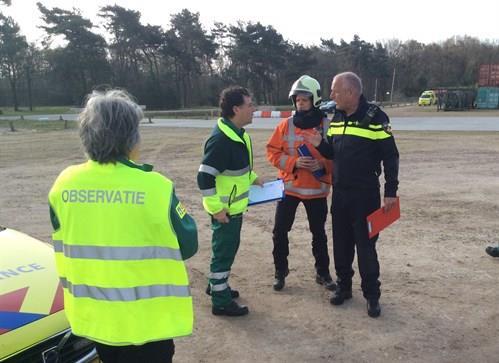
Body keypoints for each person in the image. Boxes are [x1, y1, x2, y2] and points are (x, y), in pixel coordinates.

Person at [48, 89, 198, 363]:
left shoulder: (64, 184)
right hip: (148, 323)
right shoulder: (155, 187)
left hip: (97, 320)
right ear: (130, 137)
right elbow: (188, 245)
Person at [305, 72, 399, 318]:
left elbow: (391, 156)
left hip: (365, 195)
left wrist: (391, 191)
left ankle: (372, 295)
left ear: (350, 93)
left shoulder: (375, 117)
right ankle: (344, 287)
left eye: (335, 91)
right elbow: (335, 153)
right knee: (342, 243)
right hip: (341, 193)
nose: (331, 95)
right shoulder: (336, 116)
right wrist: (319, 144)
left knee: (366, 247)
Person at [197, 86, 262, 316]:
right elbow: (204, 177)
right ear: (236, 109)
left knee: (225, 250)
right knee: (224, 253)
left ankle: (216, 288)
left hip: (232, 208)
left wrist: (254, 179)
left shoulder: (237, 135)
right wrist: (216, 210)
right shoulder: (222, 140)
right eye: (250, 104)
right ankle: (221, 302)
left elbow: (237, 168)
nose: (253, 109)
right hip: (225, 211)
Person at [266, 75, 335, 291]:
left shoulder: (327, 125)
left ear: (314, 99)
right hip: (289, 189)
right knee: (279, 231)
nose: (300, 103)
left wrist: (321, 166)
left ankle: (322, 273)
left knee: (319, 234)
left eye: (304, 99)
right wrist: (295, 163)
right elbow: (272, 152)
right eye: (297, 100)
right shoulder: (285, 125)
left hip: (316, 191)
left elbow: (337, 156)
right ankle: (280, 271)